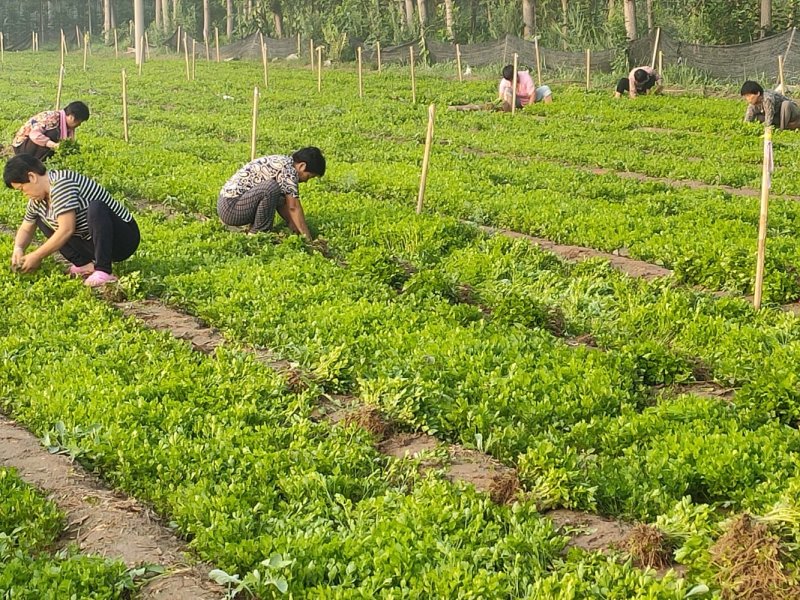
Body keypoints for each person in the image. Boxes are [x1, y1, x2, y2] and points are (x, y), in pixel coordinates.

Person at [4, 154, 140, 287]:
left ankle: (103, 270)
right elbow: (26, 227)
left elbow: (66, 229)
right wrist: (19, 248)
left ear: (32, 177)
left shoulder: (61, 183)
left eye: (22, 189)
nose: (25, 194)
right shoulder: (38, 200)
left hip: (122, 239)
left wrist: (37, 255)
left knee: (96, 208)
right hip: (92, 240)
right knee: (39, 218)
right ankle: (84, 265)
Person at [217, 147, 326, 240]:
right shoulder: (289, 171)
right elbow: (294, 207)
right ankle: (258, 233)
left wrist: (294, 226)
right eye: (309, 176)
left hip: (229, 205)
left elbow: (284, 204)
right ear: (302, 166)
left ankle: (257, 229)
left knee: (279, 195)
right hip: (231, 208)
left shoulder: (284, 163)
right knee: (271, 187)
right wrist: (307, 238)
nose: (306, 181)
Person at [11, 101, 90, 162]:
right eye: (79, 122)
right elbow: (34, 135)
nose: (79, 125)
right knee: (53, 133)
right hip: (22, 147)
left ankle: (42, 160)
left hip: (31, 147)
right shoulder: (52, 118)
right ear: (71, 117)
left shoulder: (68, 126)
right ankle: (35, 161)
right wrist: (54, 145)